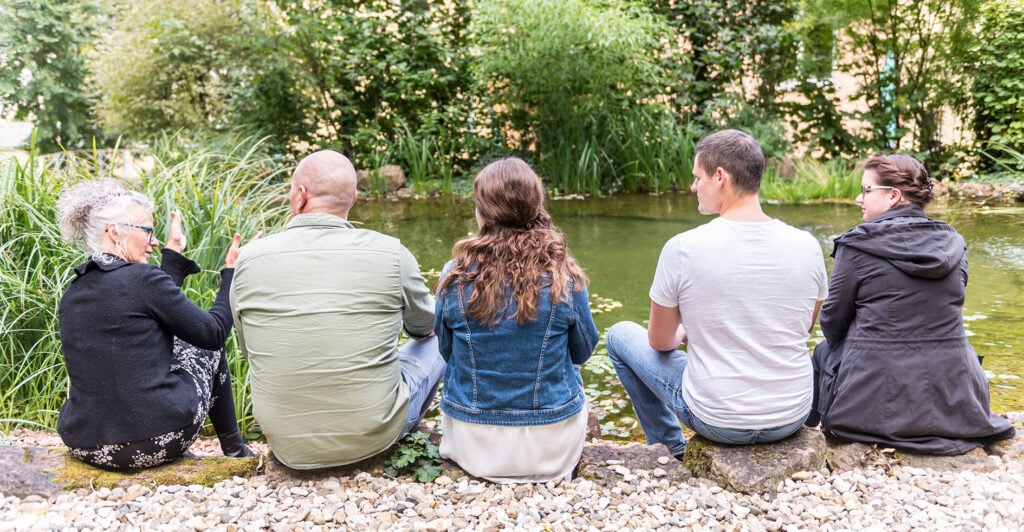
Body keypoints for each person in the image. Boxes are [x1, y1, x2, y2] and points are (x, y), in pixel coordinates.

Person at [605, 129, 827, 457]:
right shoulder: (808, 246)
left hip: (718, 420)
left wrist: (687, 331)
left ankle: (668, 447)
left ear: (720, 177)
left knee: (619, 335)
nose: (694, 187)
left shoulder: (683, 248)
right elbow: (803, 327)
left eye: (698, 178)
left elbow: (660, 343)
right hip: (789, 416)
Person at [230, 150, 444, 469]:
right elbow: (426, 327)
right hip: (374, 434)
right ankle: (408, 432)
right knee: (442, 332)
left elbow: (251, 352)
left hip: (287, 440)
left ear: (300, 195)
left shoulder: (248, 259)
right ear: (354, 199)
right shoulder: (391, 253)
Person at [809, 154, 1015, 455]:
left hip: (870, 409)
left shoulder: (855, 245)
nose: (858, 198)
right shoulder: (954, 243)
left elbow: (832, 322)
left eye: (866, 190)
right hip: (958, 403)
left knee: (823, 351)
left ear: (893, 195)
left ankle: (809, 437)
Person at [56, 179, 257, 470]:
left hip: (87, 446)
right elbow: (212, 333)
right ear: (114, 231)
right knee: (206, 348)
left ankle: (236, 449)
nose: (154, 241)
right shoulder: (142, 280)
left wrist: (172, 258)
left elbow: (149, 312)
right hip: (156, 440)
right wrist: (230, 275)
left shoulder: (74, 290)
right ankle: (236, 450)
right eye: (148, 231)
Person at [434, 158, 599, 483]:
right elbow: (582, 352)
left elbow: (446, 352)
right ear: (536, 207)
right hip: (551, 448)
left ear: (482, 212)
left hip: (474, 446)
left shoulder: (453, 275)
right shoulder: (562, 274)